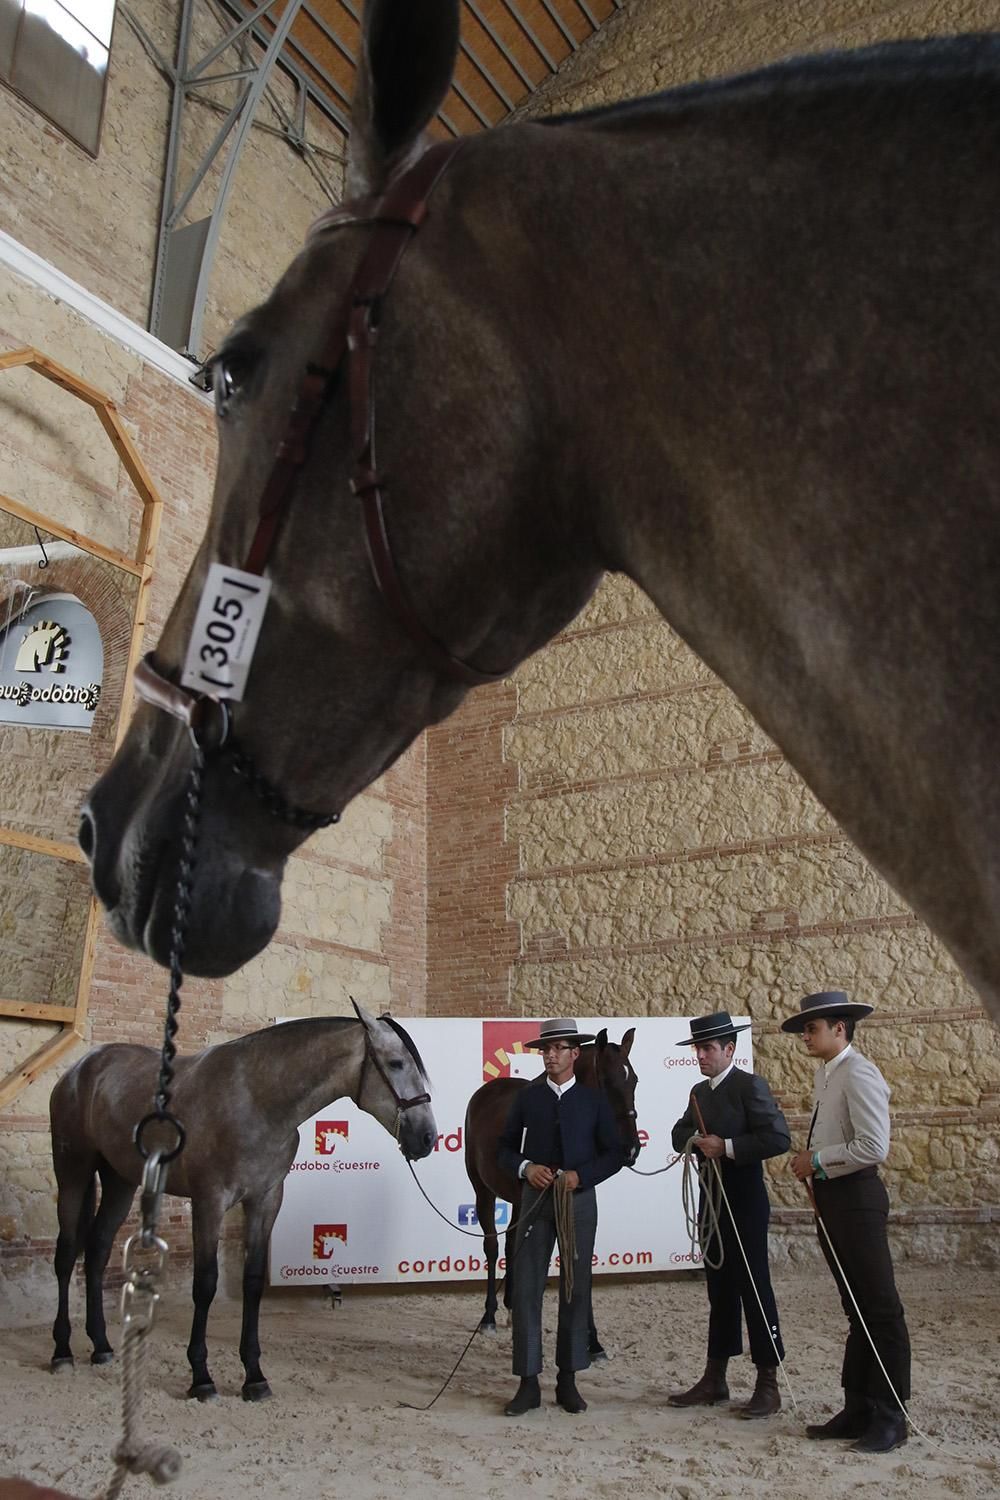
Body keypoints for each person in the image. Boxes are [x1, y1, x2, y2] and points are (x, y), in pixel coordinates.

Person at [784, 989, 911, 1453]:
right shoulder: (827, 1075)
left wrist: (816, 1159)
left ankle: (892, 1414)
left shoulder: (860, 1072)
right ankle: (858, 1406)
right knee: (855, 1308)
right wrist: (817, 1168)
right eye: (804, 1029)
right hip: (835, 1200)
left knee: (879, 1307)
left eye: (812, 1028)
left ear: (841, 1028)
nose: (805, 1036)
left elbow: (874, 1146)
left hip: (857, 1200)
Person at [497, 1018, 625, 1416]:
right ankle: (528, 1382)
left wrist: (581, 1176)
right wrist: (525, 1168)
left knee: (575, 1287)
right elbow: (502, 1149)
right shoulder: (527, 1098)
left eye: (558, 1049)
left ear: (575, 1054)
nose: (550, 1056)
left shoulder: (594, 1101)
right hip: (534, 1201)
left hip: (579, 1203)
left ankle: (568, 1379)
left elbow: (616, 1153)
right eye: (545, 1050)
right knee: (527, 1287)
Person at [668, 1011, 790, 1418]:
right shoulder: (698, 1093)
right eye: (697, 1049)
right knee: (719, 1290)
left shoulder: (749, 1086)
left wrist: (729, 1147)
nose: (700, 1055)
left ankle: (767, 1382)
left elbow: (777, 1137)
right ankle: (715, 1378)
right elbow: (677, 1133)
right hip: (710, 1201)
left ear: (729, 1050)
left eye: (707, 1048)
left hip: (744, 1200)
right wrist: (696, 1140)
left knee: (754, 1287)